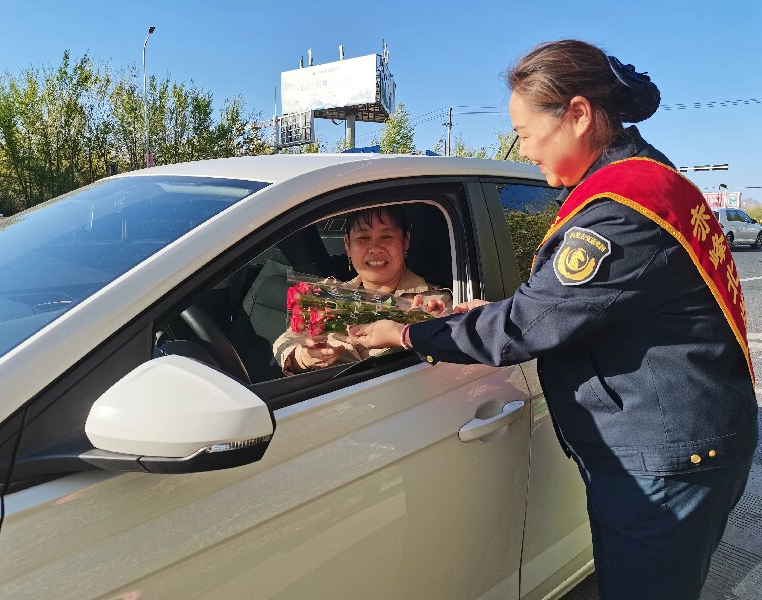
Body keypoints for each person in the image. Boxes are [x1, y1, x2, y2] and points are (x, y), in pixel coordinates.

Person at [347, 40, 757, 600]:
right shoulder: (647, 181)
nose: (523, 149)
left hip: (664, 459)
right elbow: (573, 306)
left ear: (579, 115)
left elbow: (525, 326)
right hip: (678, 436)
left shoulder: (619, 212)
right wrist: (499, 312)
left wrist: (406, 333)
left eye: (524, 131)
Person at [273, 205, 451, 375]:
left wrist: (418, 332)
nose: (375, 248)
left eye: (387, 236)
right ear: (347, 245)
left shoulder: (435, 304)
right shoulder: (328, 294)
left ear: (406, 242)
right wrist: (303, 357)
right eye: (363, 238)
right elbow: (285, 342)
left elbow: (448, 360)